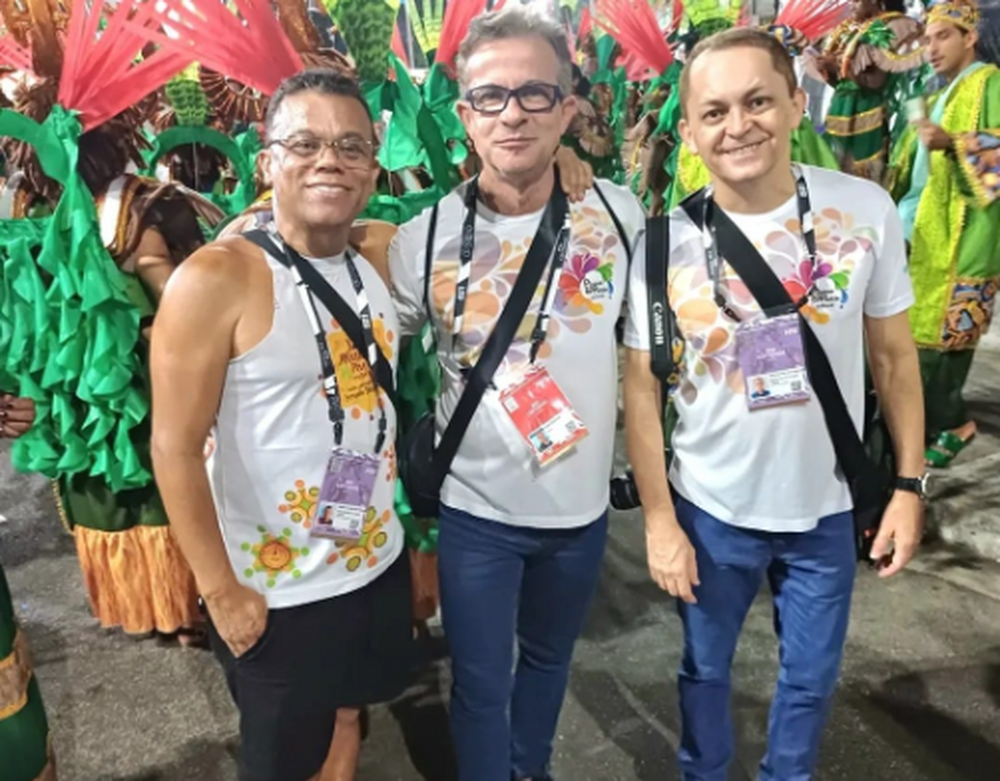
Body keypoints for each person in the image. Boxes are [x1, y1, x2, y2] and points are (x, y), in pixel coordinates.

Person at [623, 28, 926, 781]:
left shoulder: (865, 210)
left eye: (758, 101)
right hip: (709, 507)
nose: (739, 126)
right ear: (688, 131)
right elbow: (641, 388)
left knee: (810, 680)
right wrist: (660, 520)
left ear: (796, 102)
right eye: (715, 111)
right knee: (703, 671)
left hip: (826, 509)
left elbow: (893, 357)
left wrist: (910, 486)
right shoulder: (661, 243)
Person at [388, 7, 644, 781]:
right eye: (490, 97)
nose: (513, 113)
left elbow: (647, 359)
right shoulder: (422, 238)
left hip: (580, 509)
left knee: (547, 662)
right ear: (463, 115)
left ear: (569, 107)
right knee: (480, 681)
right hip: (477, 512)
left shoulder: (620, 216)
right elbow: (361, 343)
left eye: (536, 94)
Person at [150, 69, 413, 781]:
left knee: (350, 712)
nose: (330, 159)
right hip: (279, 591)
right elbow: (172, 447)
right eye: (305, 143)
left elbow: (489, 204)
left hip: (371, 561)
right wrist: (220, 591)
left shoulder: (380, 252)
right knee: (281, 760)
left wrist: (568, 158)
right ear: (267, 161)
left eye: (351, 145)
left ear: (372, 164)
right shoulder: (217, 277)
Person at [889, 0, 1000, 468]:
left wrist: (954, 142)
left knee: (944, 339)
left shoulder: (990, 82)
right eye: (928, 39)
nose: (931, 48)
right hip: (920, 231)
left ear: (970, 37)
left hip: (966, 237)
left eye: (943, 37)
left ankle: (954, 421)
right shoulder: (937, 94)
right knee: (908, 334)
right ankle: (922, 417)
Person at [814, 0, 925, 182]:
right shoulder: (851, 29)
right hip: (841, 108)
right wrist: (829, 69)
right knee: (834, 170)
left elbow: (876, 81)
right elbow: (840, 81)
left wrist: (839, 66)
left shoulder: (891, 26)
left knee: (865, 173)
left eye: (857, 1)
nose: (852, 5)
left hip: (867, 109)